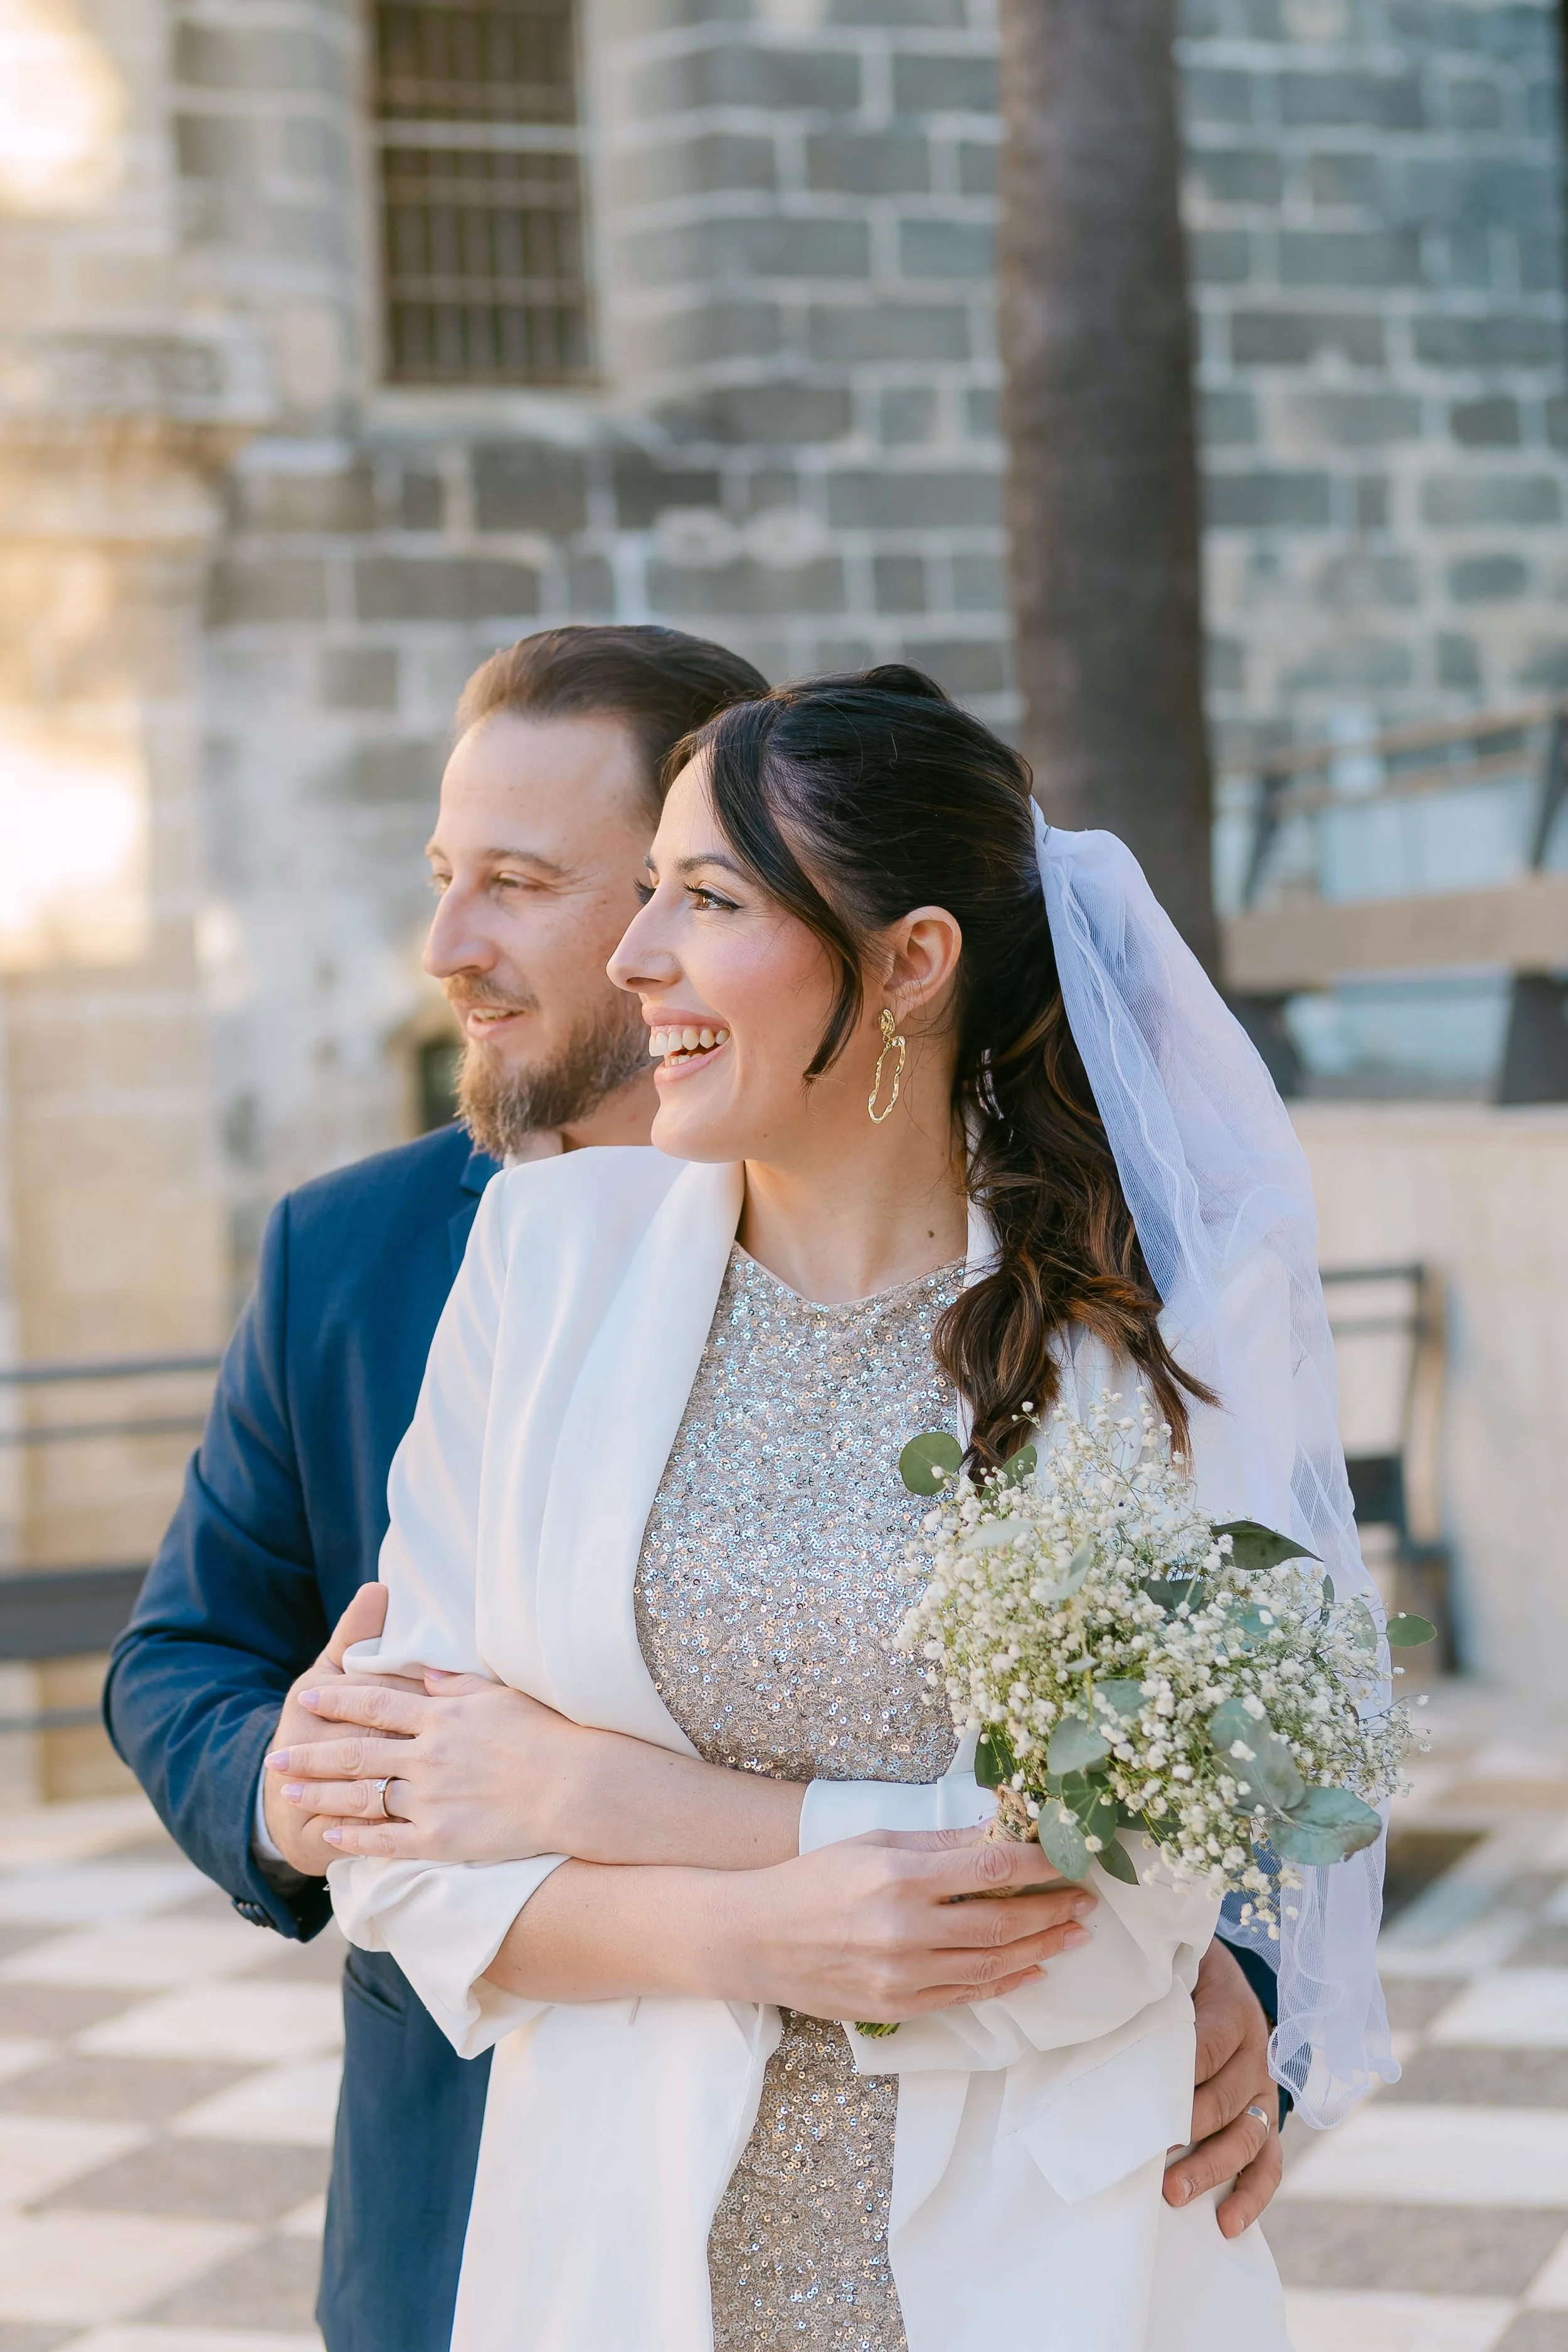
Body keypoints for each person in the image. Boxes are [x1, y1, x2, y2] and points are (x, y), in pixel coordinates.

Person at [292, 669, 1377, 2349]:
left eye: (708, 900)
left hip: (1045, 2273)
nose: (634, 954)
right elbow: (402, 1855)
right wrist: (756, 1923)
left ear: (911, 961)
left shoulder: (1148, 1337)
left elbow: (1114, 1933)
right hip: (613, 2265)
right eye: (645, 890)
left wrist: (587, 1793)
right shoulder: (540, 1263)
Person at [103, 625, 771, 2352]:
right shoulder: (344, 1253)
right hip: (456, 2203)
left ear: (706, 898)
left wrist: (1222, 1973)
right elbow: (182, 1652)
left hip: (851, 2174)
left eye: (517, 885)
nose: (447, 947)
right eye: (442, 877)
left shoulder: (926, 1251)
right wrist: (290, 1778)